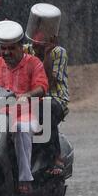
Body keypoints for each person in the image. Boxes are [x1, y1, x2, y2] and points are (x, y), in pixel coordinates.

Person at [0, 20, 49, 194]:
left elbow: (42, 87)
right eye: (3, 49)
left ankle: (25, 178)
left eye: (11, 48)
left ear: (21, 47)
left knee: (20, 129)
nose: (6, 52)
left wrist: (27, 96)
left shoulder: (34, 63)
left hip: (27, 117)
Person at [24, 23, 69, 176]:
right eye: (35, 46)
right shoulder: (26, 50)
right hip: (31, 99)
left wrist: (48, 54)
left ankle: (55, 156)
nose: (36, 50)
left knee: (45, 108)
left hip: (55, 97)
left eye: (40, 47)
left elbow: (47, 81)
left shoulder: (58, 53)